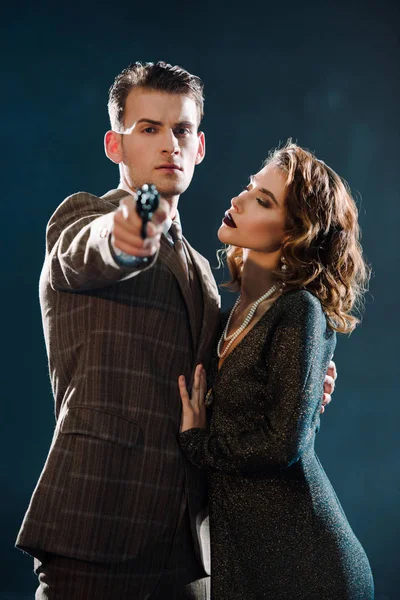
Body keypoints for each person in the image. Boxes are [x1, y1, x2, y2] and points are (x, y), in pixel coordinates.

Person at [16, 62, 335, 599]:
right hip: (97, 527)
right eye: (148, 128)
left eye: (181, 129)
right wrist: (138, 222)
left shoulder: (205, 274)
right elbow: (93, 251)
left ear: (200, 145)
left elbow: (218, 385)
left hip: (191, 548)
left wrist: (297, 381)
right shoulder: (82, 219)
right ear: (115, 147)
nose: (169, 144)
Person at [178, 142, 374, 599]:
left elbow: (281, 442)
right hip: (247, 561)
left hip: (308, 567)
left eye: (263, 200)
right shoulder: (231, 316)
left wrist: (197, 443)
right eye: (250, 187)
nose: (239, 200)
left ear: (294, 234)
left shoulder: (299, 310)